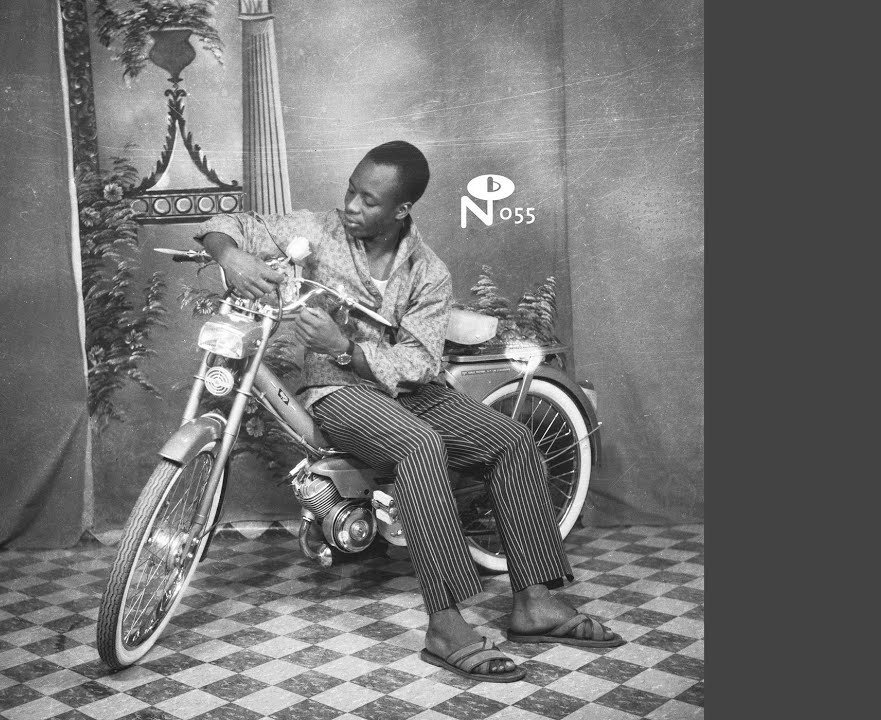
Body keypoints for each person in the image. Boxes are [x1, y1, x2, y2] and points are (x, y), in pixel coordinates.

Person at [194, 141, 623, 683]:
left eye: (368, 200)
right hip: (337, 390)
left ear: (401, 209)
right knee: (420, 446)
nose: (351, 205)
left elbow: (418, 362)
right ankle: (446, 625)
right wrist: (230, 256)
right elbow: (229, 222)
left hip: (413, 388)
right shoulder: (319, 231)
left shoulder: (428, 271)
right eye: (351, 190)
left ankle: (534, 602)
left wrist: (343, 346)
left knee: (512, 441)